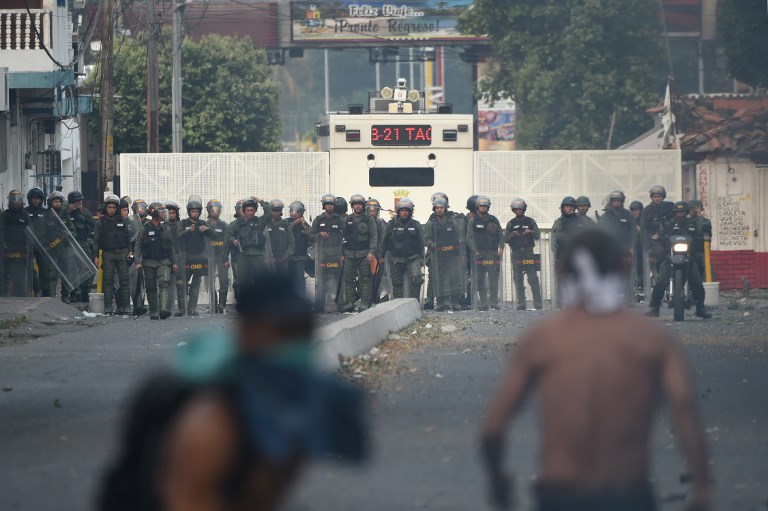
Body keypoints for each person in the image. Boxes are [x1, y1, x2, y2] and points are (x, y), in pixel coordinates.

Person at [480, 227, 711, 511]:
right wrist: (701, 486)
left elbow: (494, 425)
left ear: (563, 270)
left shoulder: (543, 338)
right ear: (623, 267)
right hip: (628, 494)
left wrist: (498, 483)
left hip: (560, 495)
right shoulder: (652, 338)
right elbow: (684, 408)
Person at [97, 271, 367, 511]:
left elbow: (265, 494)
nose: (297, 343)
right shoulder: (211, 420)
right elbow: (189, 501)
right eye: (284, 330)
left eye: (304, 329)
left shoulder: (296, 400)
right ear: (246, 333)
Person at [645, 202, 712, 319]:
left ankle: (700, 308)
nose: (680, 213)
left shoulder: (693, 223)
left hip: (689, 256)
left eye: (682, 211)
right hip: (671, 255)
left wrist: (703, 237)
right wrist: (658, 236)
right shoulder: (669, 223)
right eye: (678, 211)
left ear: (685, 212)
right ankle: (654, 308)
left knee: (697, 281)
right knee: (660, 280)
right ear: (675, 212)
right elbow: (662, 234)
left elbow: (700, 233)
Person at [135, 203, 177, 320]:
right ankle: (154, 311)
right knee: (150, 287)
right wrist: (137, 261)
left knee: (164, 283)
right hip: (148, 262)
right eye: (162, 212)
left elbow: (171, 247)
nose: (164, 214)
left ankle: (163, 309)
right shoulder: (145, 228)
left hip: (163, 261)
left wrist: (174, 262)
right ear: (155, 214)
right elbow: (138, 246)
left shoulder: (165, 228)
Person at [93, 195, 132, 315]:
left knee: (124, 281)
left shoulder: (122, 220)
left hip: (122, 253)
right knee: (108, 281)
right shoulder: (100, 222)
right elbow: (96, 241)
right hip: (107, 254)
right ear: (106, 208)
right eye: (109, 207)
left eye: (114, 207)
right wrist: (95, 256)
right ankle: (108, 307)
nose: (111, 209)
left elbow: (128, 237)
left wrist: (129, 251)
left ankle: (126, 307)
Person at [379, 198, 424, 300]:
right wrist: (381, 256)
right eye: (402, 210)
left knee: (417, 279)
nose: (404, 213)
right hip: (395, 259)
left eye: (407, 211)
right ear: (398, 211)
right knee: (397, 283)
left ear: (410, 212)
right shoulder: (391, 224)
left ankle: (414, 303)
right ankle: (398, 304)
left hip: (412, 258)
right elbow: (384, 241)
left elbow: (421, 241)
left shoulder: (416, 224)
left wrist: (422, 257)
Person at [424, 197, 464, 311]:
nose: (440, 210)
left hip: (452, 255)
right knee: (439, 279)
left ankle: (455, 303)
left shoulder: (453, 221)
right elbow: (426, 239)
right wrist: (433, 246)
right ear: (434, 209)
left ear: (445, 208)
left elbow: (459, 236)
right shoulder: (431, 223)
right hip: (438, 256)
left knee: (454, 278)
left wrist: (458, 248)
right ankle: (441, 304)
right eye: (437, 208)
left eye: (442, 208)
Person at [226, 198, 270, 301]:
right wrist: (234, 241)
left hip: (258, 255)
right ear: (244, 211)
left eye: (252, 210)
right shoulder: (237, 223)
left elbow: (268, 213)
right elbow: (228, 236)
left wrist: (261, 201)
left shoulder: (259, 221)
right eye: (248, 210)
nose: (250, 213)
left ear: (255, 211)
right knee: (242, 281)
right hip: (243, 255)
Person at [504, 198, 543, 311]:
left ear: (524, 209)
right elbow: (505, 239)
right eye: (516, 209)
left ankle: (538, 303)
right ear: (513, 210)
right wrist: (512, 235)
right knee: (518, 279)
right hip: (516, 254)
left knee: (533, 279)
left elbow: (538, 235)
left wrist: (530, 232)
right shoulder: (511, 223)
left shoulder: (530, 221)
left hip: (528, 253)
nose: (518, 211)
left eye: (520, 209)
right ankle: (521, 303)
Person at [177, 197, 214, 316]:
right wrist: (188, 231)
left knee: (196, 283)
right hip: (185, 257)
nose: (195, 214)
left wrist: (207, 230)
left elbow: (215, 236)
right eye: (193, 211)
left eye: (197, 211)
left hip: (199, 257)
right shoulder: (183, 223)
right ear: (189, 212)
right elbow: (176, 237)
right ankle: (182, 309)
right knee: (182, 284)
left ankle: (192, 308)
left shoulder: (203, 223)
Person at [341, 194, 378, 312]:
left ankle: (364, 303)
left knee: (365, 279)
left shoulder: (369, 220)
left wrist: (371, 252)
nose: (357, 206)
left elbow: (373, 236)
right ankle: (349, 303)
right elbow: (341, 238)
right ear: (352, 206)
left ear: (363, 206)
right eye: (355, 204)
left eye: (360, 204)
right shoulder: (346, 220)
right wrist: (342, 254)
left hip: (364, 255)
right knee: (348, 279)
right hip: (349, 254)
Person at [467, 196, 504, 310]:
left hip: (492, 253)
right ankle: (483, 303)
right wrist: (474, 250)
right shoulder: (473, 221)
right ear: (477, 207)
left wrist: (501, 247)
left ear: (488, 207)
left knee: (493, 278)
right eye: (481, 206)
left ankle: (493, 302)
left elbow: (500, 234)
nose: (483, 208)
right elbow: (469, 237)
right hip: (479, 254)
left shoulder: (493, 219)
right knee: (480, 279)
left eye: (485, 206)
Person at [310, 194, 344, 311]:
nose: (329, 206)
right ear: (324, 206)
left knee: (338, 281)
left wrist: (342, 255)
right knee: (322, 282)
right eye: (327, 204)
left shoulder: (339, 220)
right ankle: (320, 306)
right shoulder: (318, 220)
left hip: (337, 255)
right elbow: (310, 235)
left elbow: (345, 236)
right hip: (322, 256)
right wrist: (319, 234)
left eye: (331, 204)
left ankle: (340, 306)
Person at [43, 191, 76, 301]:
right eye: (55, 201)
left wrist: (68, 236)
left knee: (66, 273)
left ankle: (65, 296)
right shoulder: (45, 215)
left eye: (59, 202)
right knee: (51, 274)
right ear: (50, 203)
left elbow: (72, 230)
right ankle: (52, 298)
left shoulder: (64, 214)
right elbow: (41, 233)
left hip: (64, 249)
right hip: (51, 249)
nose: (57, 204)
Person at [0, 190, 32, 297]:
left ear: (22, 201)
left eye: (18, 199)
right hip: (7, 247)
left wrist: (28, 244)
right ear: (10, 201)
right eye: (13, 199)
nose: (16, 201)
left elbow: (30, 231)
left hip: (22, 248)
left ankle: (22, 293)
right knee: (5, 271)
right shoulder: (5, 215)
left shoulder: (25, 215)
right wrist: (3, 243)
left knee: (22, 272)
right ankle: (4, 294)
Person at [641, 185, 675, 281]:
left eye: (659, 196)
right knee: (660, 255)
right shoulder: (647, 210)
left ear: (663, 196)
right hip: (654, 240)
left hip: (669, 238)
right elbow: (644, 229)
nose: (657, 199)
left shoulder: (670, 207)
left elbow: (677, 218)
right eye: (655, 196)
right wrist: (647, 247)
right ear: (651, 198)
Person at [67, 190, 95, 302]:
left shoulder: (85, 212)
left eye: (79, 201)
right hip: (69, 244)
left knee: (86, 268)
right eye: (75, 202)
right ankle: (73, 292)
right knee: (72, 269)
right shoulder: (66, 212)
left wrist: (83, 212)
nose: (77, 204)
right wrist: (68, 211)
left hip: (83, 243)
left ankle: (84, 292)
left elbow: (93, 224)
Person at [205, 199, 230, 313]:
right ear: (209, 211)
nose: (216, 211)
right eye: (213, 209)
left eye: (218, 209)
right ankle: (213, 305)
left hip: (221, 256)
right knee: (210, 282)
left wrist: (226, 258)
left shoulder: (224, 225)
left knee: (224, 281)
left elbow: (227, 243)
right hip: (208, 257)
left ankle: (222, 305)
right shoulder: (204, 225)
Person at [25, 187, 48, 296]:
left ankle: (46, 292)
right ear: (30, 199)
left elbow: (51, 228)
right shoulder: (25, 211)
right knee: (29, 268)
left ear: (41, 200)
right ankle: (36, 290)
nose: (36, 200)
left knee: (44, 269)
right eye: (34, 198)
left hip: (42, 245)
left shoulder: (46, 212)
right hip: (28, 245)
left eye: (38, 198)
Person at [264, 199, 295, 275]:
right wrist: (267, 258)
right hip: (268, 262)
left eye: (278, 210)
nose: (276, 213)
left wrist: (286, 256)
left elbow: (292, 243)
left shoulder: (285, 225)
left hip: (283, 261)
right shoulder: (265, 224)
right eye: (274, 210)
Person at [288, 201, 311, 287]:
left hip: (300, 256)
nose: (294, 214)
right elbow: (286, 231)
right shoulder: (286, 222)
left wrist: (304, 225)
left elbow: (310, 235)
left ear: (301, 212)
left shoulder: (304, 223)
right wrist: (294, 223)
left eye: (297, 212)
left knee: (299, 279)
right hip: (287, 256)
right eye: (292, 211)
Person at [687, 200, 712, 281]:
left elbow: (702, 229)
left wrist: (699, 216)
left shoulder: (705, 222)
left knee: (703, 268)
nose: (692, 211)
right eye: (691, 209)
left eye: (694, 209)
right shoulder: (687, 221)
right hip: (688, 250)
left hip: (701, 250)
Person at [630, 200, 645, 297]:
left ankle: (640, 283)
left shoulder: (644, 220)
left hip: (641, 247)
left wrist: (641, 230)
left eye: (637, 210)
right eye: (633, 210)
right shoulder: (628, 219)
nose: (635, 212)